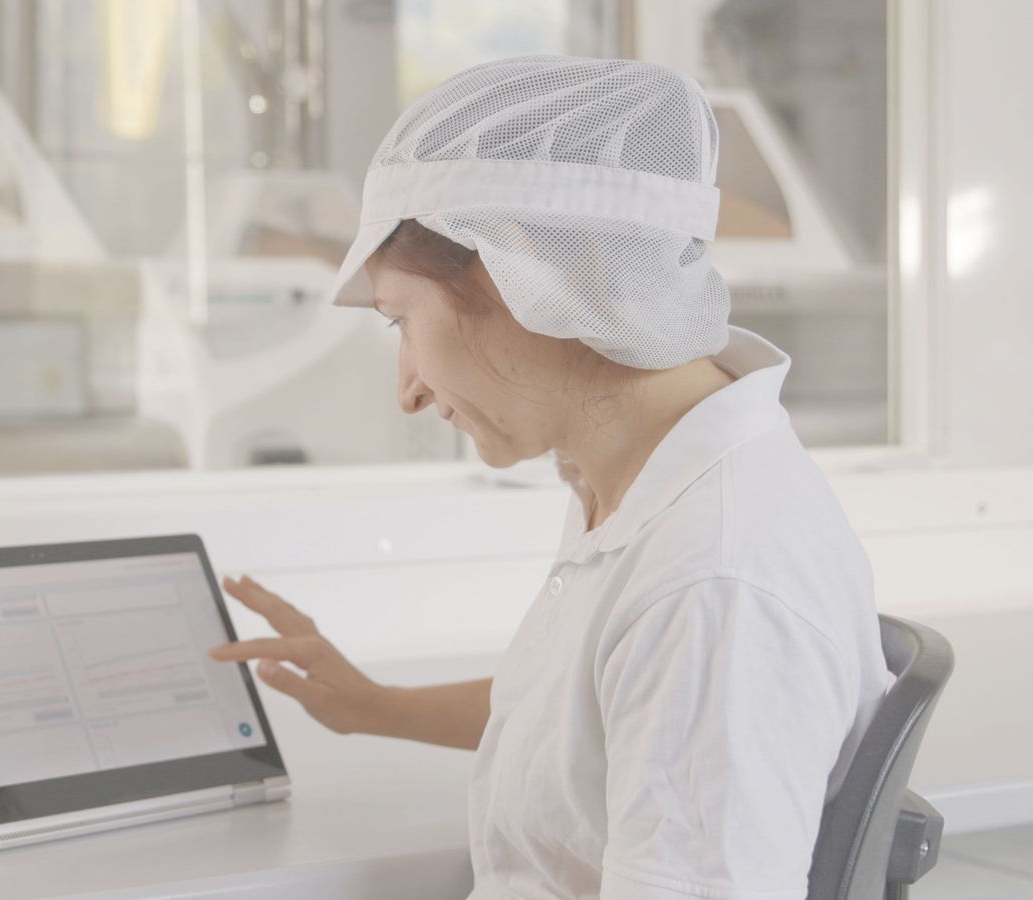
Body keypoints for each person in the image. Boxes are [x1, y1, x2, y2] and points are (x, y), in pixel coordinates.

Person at [206, 56, 890, 900]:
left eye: (402, 322)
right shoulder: (643, 479)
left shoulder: (711, 584)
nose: (408, 389)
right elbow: (589, 717)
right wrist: (377, 707)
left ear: (526, 273)